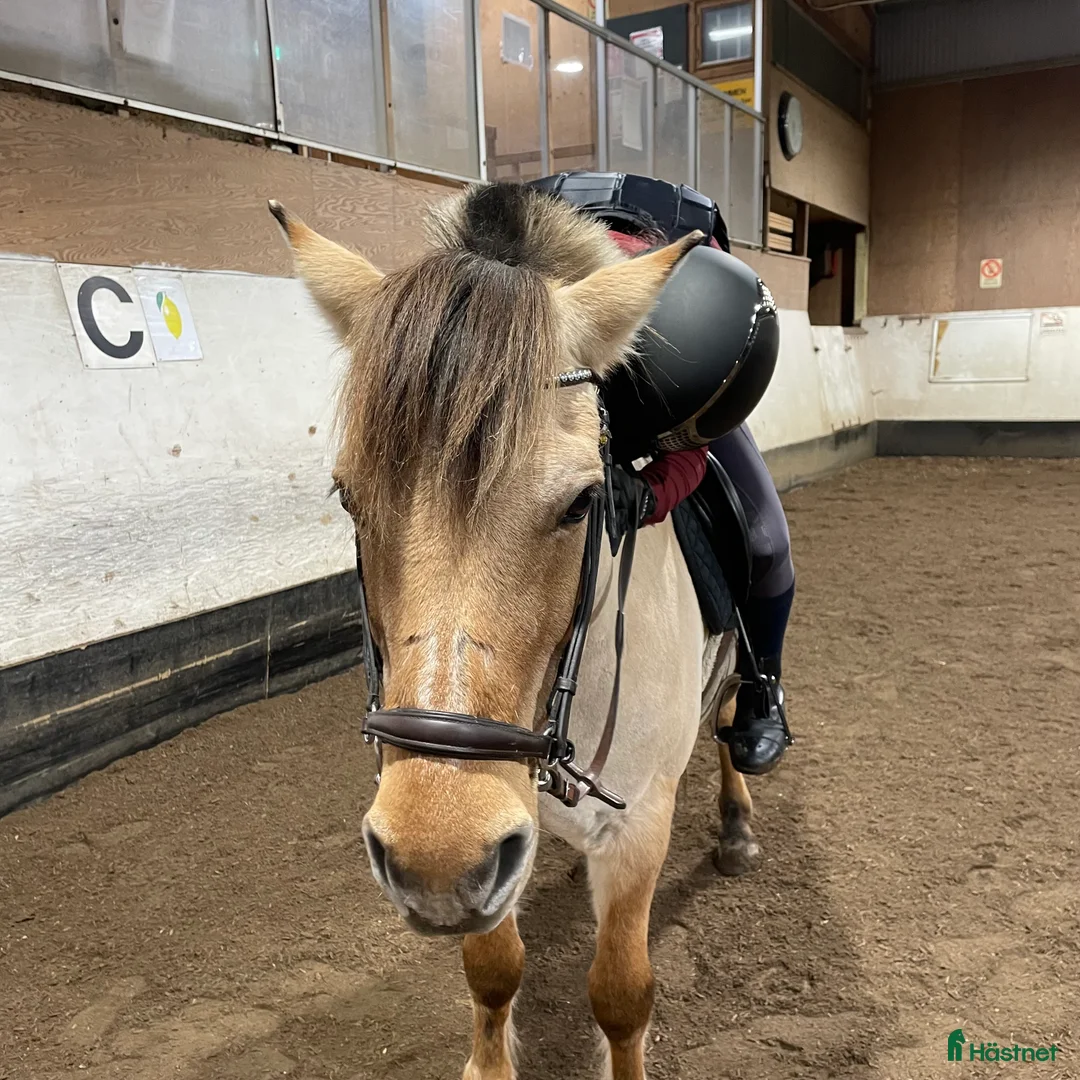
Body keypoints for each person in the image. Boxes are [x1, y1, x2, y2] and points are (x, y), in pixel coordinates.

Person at [597, 201, 793, 776]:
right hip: (568, 390)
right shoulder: (517, 293)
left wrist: (651, 491)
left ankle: (762, 689)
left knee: (765, 541)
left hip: (676, 396)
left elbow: (690, 443)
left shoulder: (684, 300)